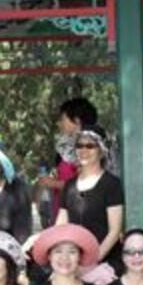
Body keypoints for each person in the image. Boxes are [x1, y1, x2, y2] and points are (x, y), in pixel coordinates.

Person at [55, 125, 124, 269]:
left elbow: (114, 231)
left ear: (101, 151)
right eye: (79, 145)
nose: (84, 150)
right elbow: (60, 227)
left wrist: (92, 262)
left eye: (90, 146)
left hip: (105, 263)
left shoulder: (112, 184)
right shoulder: (69, 185)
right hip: (74, 264)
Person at [35, 97, 98, 228]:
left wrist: (53, 183)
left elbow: (85, 185)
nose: (59, 124)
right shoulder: (65, 148)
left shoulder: (90, 149)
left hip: (79, 219)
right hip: (61, 215)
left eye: (62, 119)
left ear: (77, 121)